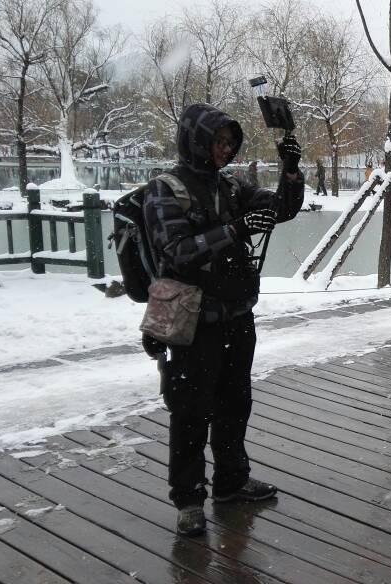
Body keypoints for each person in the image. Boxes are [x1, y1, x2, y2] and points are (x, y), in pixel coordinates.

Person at [143, 103, 305, 536]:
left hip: (235, 315)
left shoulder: (232, 185)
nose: (225, 150)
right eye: (217, 142)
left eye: (230, 144)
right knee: (191, 410)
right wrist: (235, 230)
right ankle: (189, 501)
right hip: (191, 320)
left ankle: (232, 482)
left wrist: (291, 172)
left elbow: (282, 210)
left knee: (235, 403)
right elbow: (176, 251)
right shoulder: (165, 189)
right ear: (195, 141)